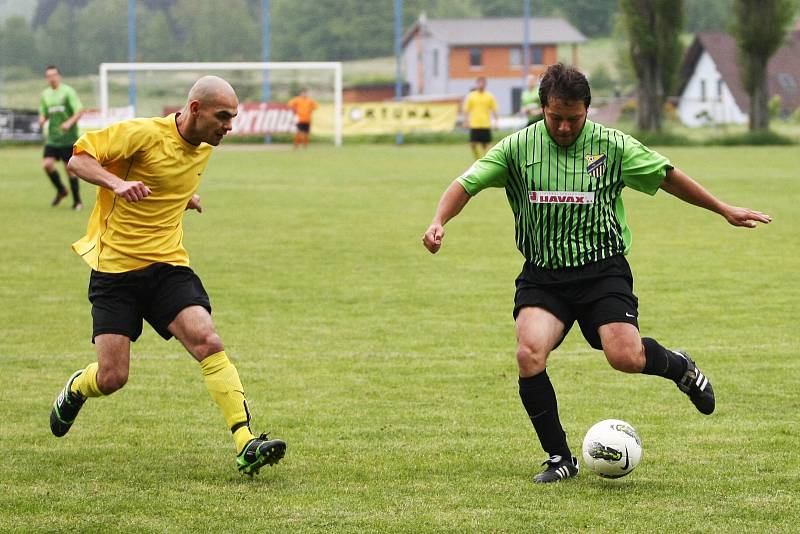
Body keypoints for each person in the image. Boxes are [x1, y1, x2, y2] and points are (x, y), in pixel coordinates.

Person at [422, 63, 771, 484]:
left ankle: (680, 367)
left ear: (588, 109)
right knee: (528, 353)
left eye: (575, 117)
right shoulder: (517, 149)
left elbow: (667, 177)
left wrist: (723, 209)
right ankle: (559, 458)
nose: (565, 127)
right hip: (544, 275)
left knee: (625, 357)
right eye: (556, 118)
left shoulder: (612, 145)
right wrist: (440, 219)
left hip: (602, 271)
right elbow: (467, 184)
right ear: (542, 109)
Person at [49, 75, 286, 477]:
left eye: (233, 117)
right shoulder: (142, 133)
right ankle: (75, 388)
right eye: (223, 116)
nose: (229, 126)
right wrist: (117, 183)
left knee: (207, 340)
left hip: (167, 266)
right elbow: (78, 159)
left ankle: (246, 441)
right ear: (195, 109)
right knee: (112, 377)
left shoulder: (206, 143)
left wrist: (181, 197)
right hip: (116, 270)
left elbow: (167, 177)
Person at [39, 65, 84, 210]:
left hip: (68, 138)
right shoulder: (45, 94)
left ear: (59, 76)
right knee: (47, 164)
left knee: (69, 169)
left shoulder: (68, 92)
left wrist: (69, 123)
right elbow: (43, 112)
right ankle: (62, 190)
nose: (51, 78)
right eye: (48, 75)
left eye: (54, 75)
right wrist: (42, 119)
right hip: (53, 138)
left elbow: (79, 111)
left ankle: (77, 202)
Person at [463, 77, 498, 159]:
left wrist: (496, 122)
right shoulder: (471, 96)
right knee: (472, 144)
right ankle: (477, 159)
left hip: (486, 124)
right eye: (479, 83)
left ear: (485, 85)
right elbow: (466, 110)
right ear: (476, 84)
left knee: (487, 145)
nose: (481, 85)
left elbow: (494, 110)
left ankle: (485, 160)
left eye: (482, 83)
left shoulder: (489, 96)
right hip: (475, 124)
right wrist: (466, 121)